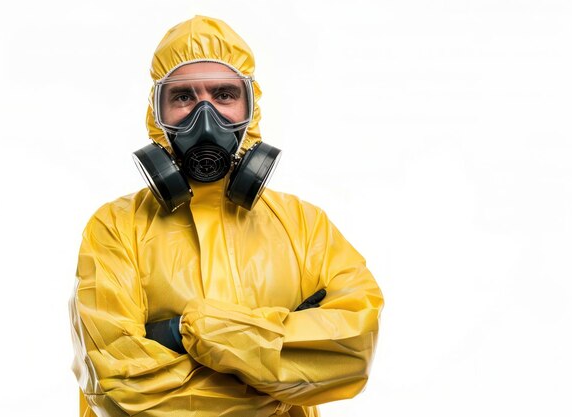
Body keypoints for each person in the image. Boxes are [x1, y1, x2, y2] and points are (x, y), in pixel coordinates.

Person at [70, 15, 384, 417]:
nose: (206, 116)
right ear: (157, 113)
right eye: (183, 97)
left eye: (223, 94)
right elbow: (117, 383)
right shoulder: (113, 228)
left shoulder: (306, 226)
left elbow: (353, 349)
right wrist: (283, 372)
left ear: (249, 108)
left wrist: (190, 330)